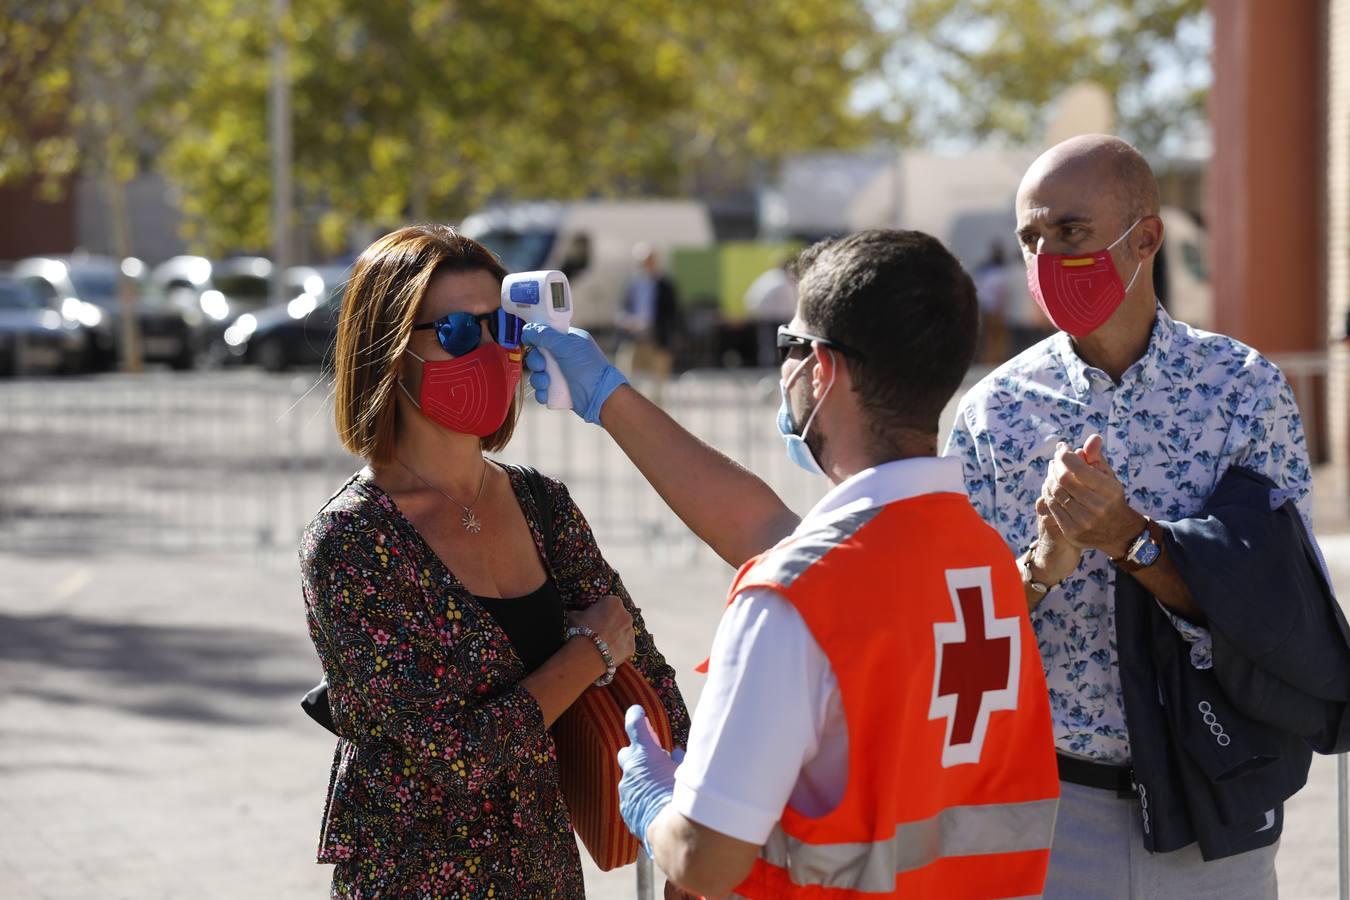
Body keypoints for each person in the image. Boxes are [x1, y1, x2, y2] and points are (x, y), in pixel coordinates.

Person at [525, 231, 1060, 898]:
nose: (784, 370)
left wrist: (655, 802)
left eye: (789, 347)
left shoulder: (794, 597)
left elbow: (703, 860)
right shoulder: (980, 559)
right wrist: (608, 397)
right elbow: (768, 530)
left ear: (821, 370)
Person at [946, 134, 1330, 898]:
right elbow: (960, 646)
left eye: (1070, 232)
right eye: (1031, 239)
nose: (1046, 257)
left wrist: (1134, 544)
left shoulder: (1241, 390)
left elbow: (1283, 613)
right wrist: (1038, 569)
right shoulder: (994, 414)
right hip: (1052, 814)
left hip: (1213, 805)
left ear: (1145, 236)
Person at [299, 224, 689, 897]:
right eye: (456, 331)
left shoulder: (541, 503)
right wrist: (586, 653)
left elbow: (650, 679)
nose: (491, 352)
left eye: (503, 327)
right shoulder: (350, 541)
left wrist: (701, 828)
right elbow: (451, 757)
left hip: (548, 875)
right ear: (389, 350)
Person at [616, 243, 681, 381]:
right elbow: (622, 309)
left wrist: (672, 335)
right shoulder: (632, 284)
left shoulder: (665, 285)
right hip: (634, 337)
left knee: (658, 380)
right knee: (628, 376)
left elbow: (673, 313)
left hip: (658, 338)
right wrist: (629, 321)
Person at [743, 256, 798, 367]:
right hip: (772, 320)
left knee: (775, 346)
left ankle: (776, 367)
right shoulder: (778, 280)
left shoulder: (773, 278)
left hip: (778, 319)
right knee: (771, 347)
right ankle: (770, 368)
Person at [972, 242, 1010, 364]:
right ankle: (995, 358)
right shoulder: (1001, 273)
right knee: (997, 335)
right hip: (997, 309)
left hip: (988, 307)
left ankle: (991, 358)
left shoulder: (987, 272)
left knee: (991, 335)